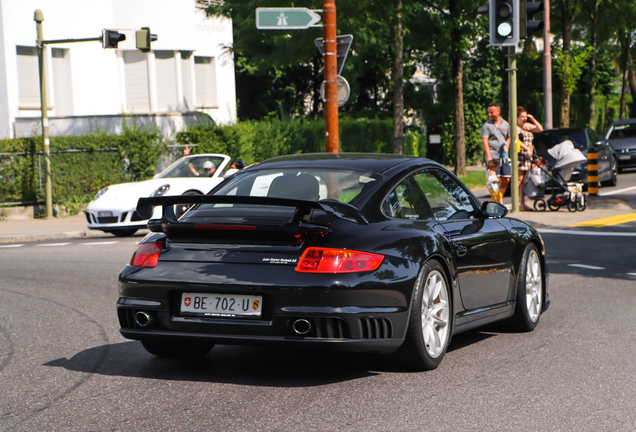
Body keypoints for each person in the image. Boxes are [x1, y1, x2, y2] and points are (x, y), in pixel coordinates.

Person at [481, 103, 511, 197]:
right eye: (488, 113)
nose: (489, 115)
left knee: (506, 179)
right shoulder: (486, 125)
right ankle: (495, 201)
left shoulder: (506, 124)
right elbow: (485, 141)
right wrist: (489, 156)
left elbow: (509, 137)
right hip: (493, 156)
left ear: (498, 112)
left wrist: (507, 145)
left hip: (503, 156)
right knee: (494, 180)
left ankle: (499, 198)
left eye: (492, 112)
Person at [517, 106, 543, 211]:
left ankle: (523, 203)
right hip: (521, 155)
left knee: (525, 180)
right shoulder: (516, 129)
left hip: (529, 155)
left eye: (525, 116)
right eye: (522, 117)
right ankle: (517, 202)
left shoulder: (527, 126)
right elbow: (516, 141)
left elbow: (540, 129)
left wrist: (532, 119)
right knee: (520, 179)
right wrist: (527, 149)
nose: (524, 118)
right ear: (517, 117)